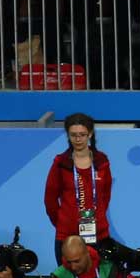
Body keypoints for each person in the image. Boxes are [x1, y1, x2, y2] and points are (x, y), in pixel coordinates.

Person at [44, 113, 113, 266]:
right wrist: (63, 221)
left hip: (99, 234)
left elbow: (105, 196)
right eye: (73, 135)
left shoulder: (102, 162)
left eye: (82, 135)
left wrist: (98, 216)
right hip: (67, 235)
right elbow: (50, 199)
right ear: (68, 136)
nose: (78, 139)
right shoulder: (61, 163)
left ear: (90, 134)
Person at [51, 236, 140, 278]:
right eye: (69, 262)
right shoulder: (61, 276)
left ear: (87, 254)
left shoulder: (109, 266)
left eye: (77, 261)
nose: (73, 267)